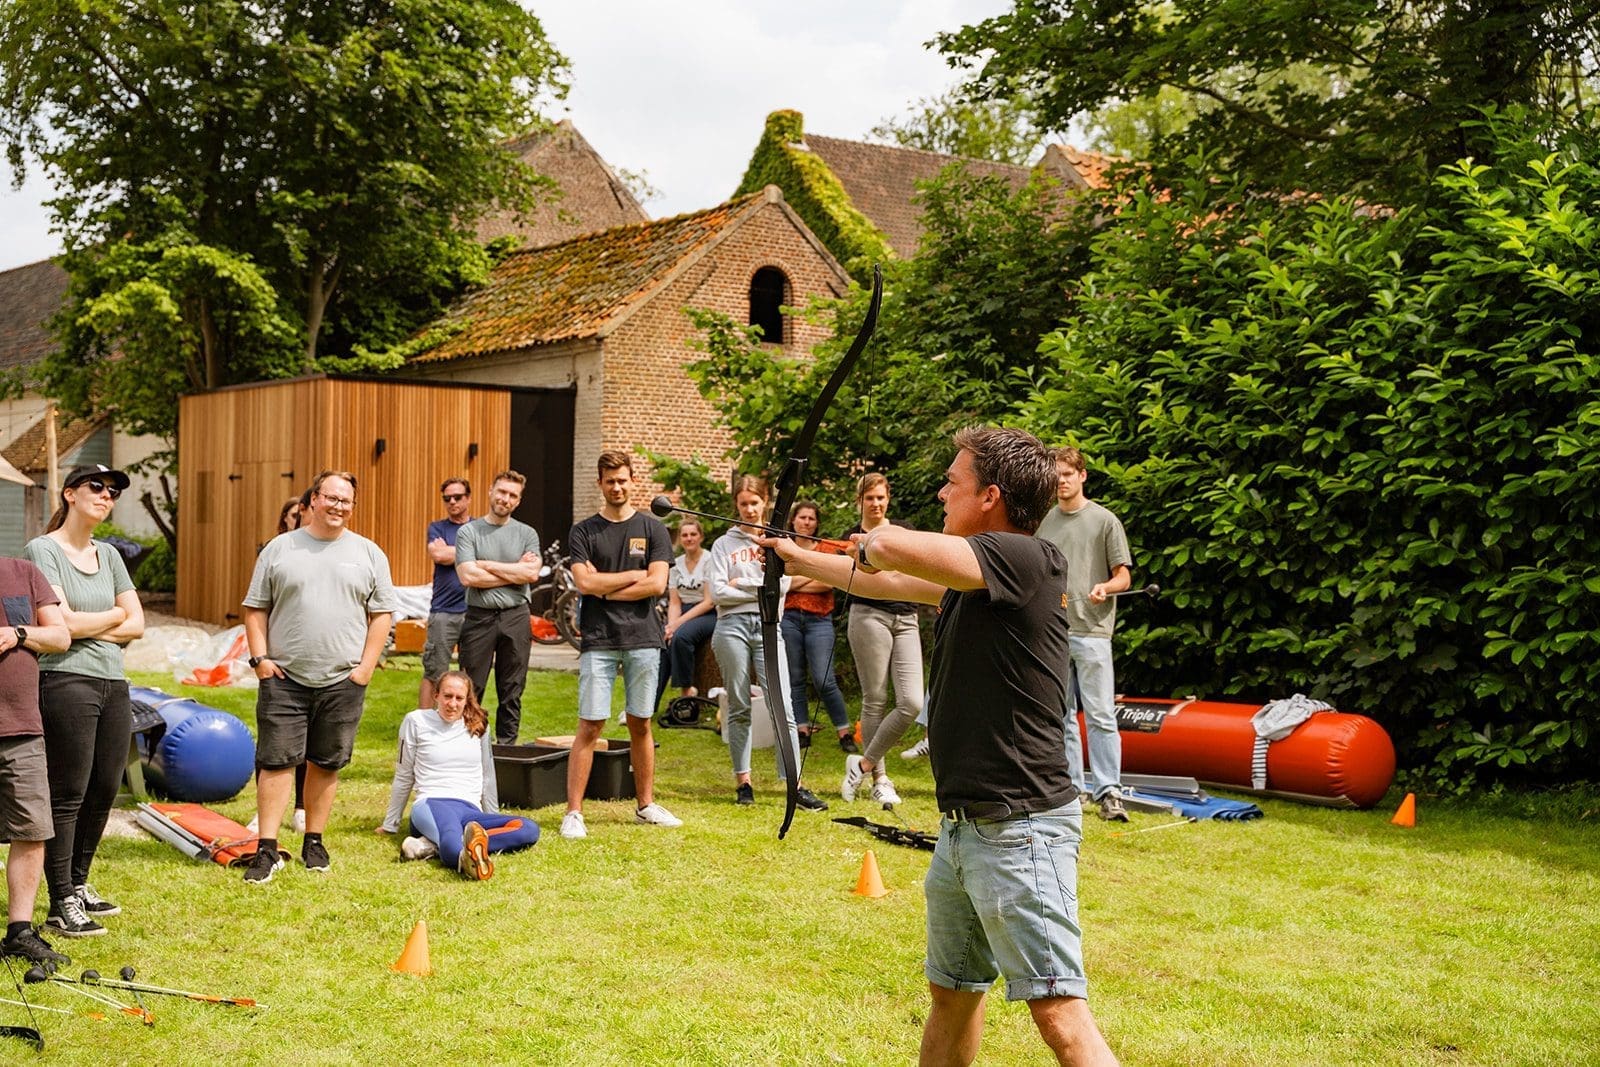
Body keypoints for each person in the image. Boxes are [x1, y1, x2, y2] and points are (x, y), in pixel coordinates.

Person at [761, 426, 1118, 1067]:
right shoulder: (977, 579)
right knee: (953, 994)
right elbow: (884, 582)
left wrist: (875, 541)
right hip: (964, 828)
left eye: (953, 482)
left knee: (1060, 1013)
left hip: (1020, 825)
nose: (941, 491)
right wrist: (798, 556)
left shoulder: (1023, 557)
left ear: (992, 496)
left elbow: (893, 551)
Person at [243, 469, 397, 884]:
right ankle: (267, 849)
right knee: (276, 762)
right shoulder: (280, 548)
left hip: (343, 679)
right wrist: (260, 660)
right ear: (313, 500)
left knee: (326, 762)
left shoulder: (368, 553)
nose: (338, 507)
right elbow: (255, 608)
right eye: (331, 498)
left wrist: (364, 669)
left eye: (346, 501)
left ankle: (314, 840)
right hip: (284, 676)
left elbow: (382, 614)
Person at [23, 464, 145, 937]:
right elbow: (61, 626)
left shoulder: (110, 554)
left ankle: (78, 883)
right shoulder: (43, 550)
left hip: (113, 681)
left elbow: (137, 625)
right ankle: (59, 901)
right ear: (70, 493)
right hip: (64, 680)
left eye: (112, 491)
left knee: (105, 788)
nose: (106, 495)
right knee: (68, 793)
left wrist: (92, 620)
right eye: (96, 486)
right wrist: (112, 614)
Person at [560, 452, 681, 838]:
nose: (617, 487)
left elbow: (657, 584)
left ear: (633, 482)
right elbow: (584, 584)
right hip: (598, 638)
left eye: (623, 480)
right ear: (600, 483)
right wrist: (632, 577)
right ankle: (574, 813)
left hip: (643, 637)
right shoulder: (584, 532)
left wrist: (606, 588)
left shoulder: (653, 528)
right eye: (610, 481)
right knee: (590, 724)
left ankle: (645, 805)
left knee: (640, 722)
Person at [706, 476, 828, 812]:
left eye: (754, 503)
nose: (748, 509)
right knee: (740, 704)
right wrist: (759, 585)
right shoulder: (722, 545)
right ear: (737, 505)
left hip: (769, 625)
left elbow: (783, 587)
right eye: (743, 504)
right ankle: (743, 782)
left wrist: (742, 583)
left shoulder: (778, 540)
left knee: (783, 706)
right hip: (731, 625)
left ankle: (794, 784)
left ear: (764, 503)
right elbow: (718, 592)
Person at [1035, 447, 1133, 822]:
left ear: (1082, 476)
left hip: (1093, 630)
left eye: (1067, 474)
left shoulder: (1105, 521)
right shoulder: (1046, 522)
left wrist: (1105, 588)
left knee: (1101, 715)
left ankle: (1110, 792)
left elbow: (1124, 575)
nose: (1061, 481)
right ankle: (1072, 790)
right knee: (1061, 716)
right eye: (1056, 476)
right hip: (1054, 630)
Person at [378, 671, 539, 880]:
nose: (452, 704)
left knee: (527, 829)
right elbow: (403, 774)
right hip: (432, 804)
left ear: (467, 700)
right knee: (450, 837)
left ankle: (428, 847)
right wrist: (391, 824)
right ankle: (465, 857)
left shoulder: (479, 724)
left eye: (459, 698)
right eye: (447, 696)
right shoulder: (416, 721)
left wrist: (493, 815)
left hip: (469, 809)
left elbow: (487, 775)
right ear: (436, 695)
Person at [0, 553, 73, 968]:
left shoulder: (24, 572)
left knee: (31, 829)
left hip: (22, 727)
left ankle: (20, 932)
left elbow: (60, 637)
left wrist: (18, 633)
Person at [842, 472, 924, 806]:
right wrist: (855, 553)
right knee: (874, 697)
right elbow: (851, 574)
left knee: (911, 703)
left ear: (888, 498)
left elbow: (917, 567)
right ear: (859, 501)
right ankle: (880, 779)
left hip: (907, 617)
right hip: (868, 615)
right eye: (869, 498)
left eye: (880, 497)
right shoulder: (850, 539)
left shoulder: (903, 531)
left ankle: (861, 763)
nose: (875, 504)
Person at [454, 470, 540, 745]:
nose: (506, 499)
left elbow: (531, 575)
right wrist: (514, 570)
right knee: (471, 687)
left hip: (515, 616)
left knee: (512, 689)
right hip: (479, 617)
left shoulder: (527, 534)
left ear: (519, 501)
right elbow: (468, 576)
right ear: (491, 491)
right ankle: (468, 745)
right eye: (502, 492)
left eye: (512, 495)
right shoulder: (469, 532)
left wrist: (486, 564)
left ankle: (506, 748)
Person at [780, 500, 856, 753]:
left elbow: (828, 583)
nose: (806, 522)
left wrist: (793, 581)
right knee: (795, 676)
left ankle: (844, 731)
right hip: (789, 618)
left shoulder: (823, 548)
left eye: (811, 519)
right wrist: (813, 575)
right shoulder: (785, 548)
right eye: (802, 517)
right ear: (793, 520)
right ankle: (801, 729)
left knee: (824, 679)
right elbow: (781, 584)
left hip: (819, 620)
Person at [420, 477, 473, 710]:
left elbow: (448, 554)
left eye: (458, 497)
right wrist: (473, 553)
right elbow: (439, 556)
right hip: (443, 612)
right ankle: (422, 723)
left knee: (471, 673)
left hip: (474, 611)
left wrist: (453, 551)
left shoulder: (478, 528)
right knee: (434, 671)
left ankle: (465, 722)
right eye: (447, 498)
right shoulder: (437, 528)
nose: (452, 502)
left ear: (468, 498)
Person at [655, 516, 716, 710]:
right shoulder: (675, 564)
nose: (689, 538)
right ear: (680, 539)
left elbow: (709, 601)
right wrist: (671, 626)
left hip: (708, 613)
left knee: (681, 637)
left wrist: (677, 625)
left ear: (701, 537)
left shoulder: (709, 560)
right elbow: (674, 602)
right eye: (685, 535)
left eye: (693, 534)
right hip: (682, 612)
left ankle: (687, 691)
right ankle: (649, 705)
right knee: (663, 642)